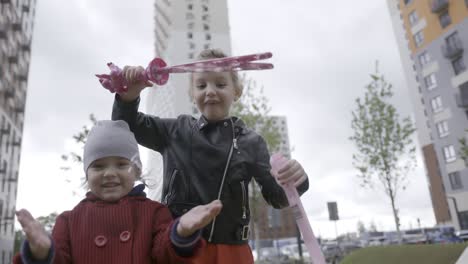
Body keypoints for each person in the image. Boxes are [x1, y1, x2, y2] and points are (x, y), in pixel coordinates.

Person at [111, 49, 309, 263]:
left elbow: (277, 197)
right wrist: (128, 95)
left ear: (237, 91)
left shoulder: (252, 142)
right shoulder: (176, 131)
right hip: (180, 247)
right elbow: (126, 125)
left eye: (221, 84)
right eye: (202, 85)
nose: (211, 91)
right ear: (192, 92)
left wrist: (295, 181)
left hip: (231, 253)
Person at [14, 120, 222, 264]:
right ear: (87, 173)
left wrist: (180, 232)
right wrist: (41, 253)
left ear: (137, 171)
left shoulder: (154, 213)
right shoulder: (69, 221)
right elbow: (60, 260)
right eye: (98, 166)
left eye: (122, 165)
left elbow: (164, 253)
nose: (110, 173)